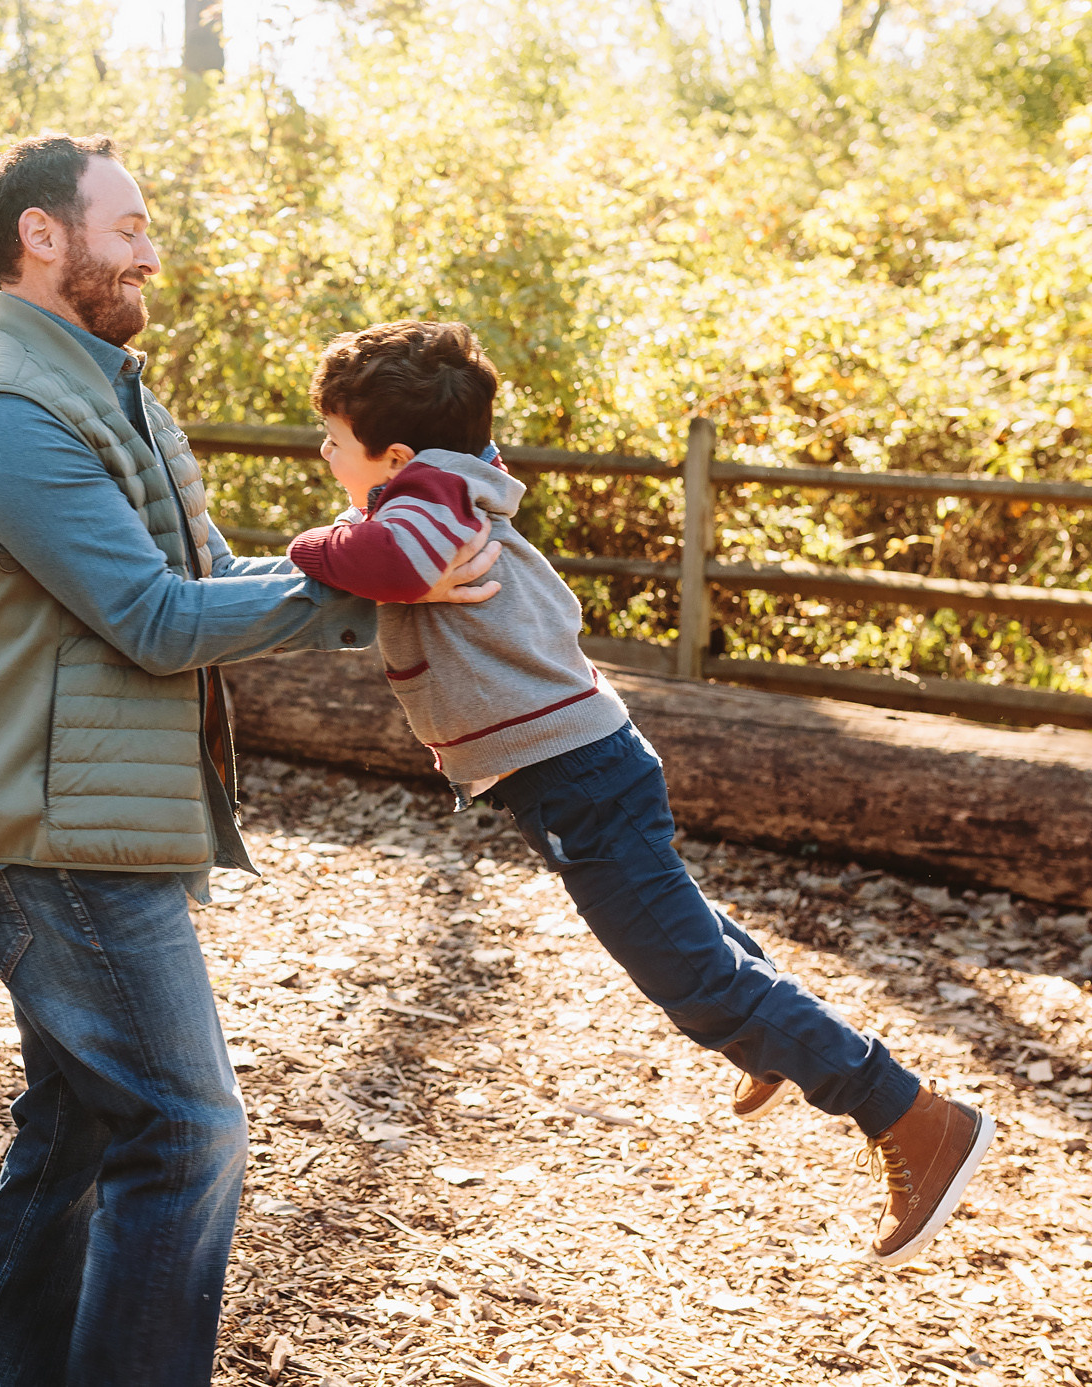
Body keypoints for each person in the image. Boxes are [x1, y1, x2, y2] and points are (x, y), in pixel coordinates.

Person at [0, 135, 503, 1387]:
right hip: (44, 833)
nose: (151, 252)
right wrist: (380, 571)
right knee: (186, 1131)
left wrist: (385, 574)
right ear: (42, 239)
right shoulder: (5, 416)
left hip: (86, 815)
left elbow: (213, 575)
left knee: (79, 1132)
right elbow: (156, 621)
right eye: (126, 228)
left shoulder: (105, 389)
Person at [284, 319, 998, 1266]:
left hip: (575, 774)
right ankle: (766, 1041)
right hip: (582, 765)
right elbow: (408, 544)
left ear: (400, 455)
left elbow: (383, 560)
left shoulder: (425, 501)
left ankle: (911, 1116)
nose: (324, 454)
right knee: (685, 934)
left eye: (334, 440)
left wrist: (314, 542)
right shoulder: (452, 483)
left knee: (691, 978)